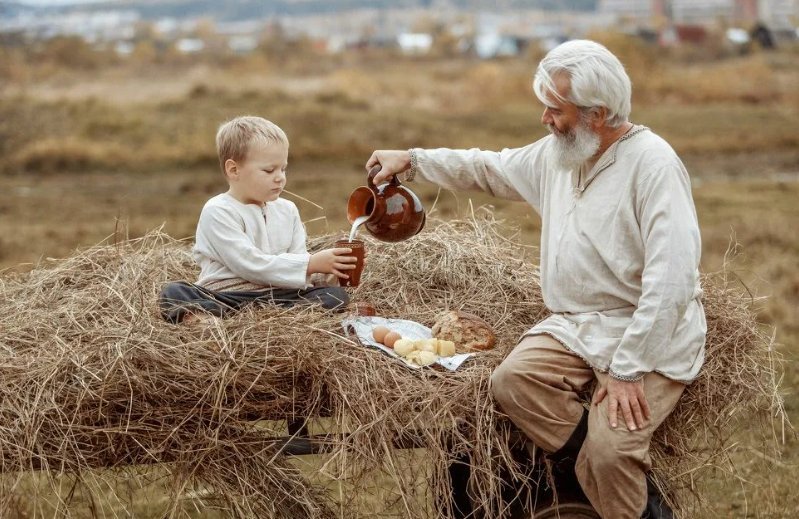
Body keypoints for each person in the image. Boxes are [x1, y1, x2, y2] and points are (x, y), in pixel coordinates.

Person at [366, 40, 705, 518]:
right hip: (576, 326)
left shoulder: (653, 165)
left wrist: (629, 369)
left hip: (645, 332)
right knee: (513, 381)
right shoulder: (558, 155)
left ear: (598, 113)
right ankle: (592, 472)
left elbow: (671, 281)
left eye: (555, 109)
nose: (545, 119)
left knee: (612, 452)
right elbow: (489, 167)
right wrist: (415, 160)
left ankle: (623, 481)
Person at [160, 116, 355, 324]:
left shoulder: (288, 210)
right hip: (227, 297)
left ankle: (272, 320)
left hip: (278, 296)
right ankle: (202, 320)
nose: (280, 177)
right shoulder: (217, 211)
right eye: (269, 170)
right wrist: (311, 263)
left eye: (283, 168)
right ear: (234, 170)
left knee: (334, 296)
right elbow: (249, 264)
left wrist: (329, 272)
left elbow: (298, 259)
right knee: (174, 292)